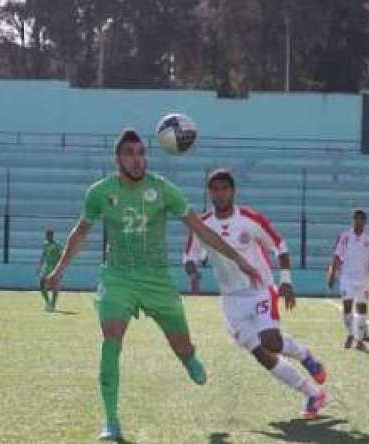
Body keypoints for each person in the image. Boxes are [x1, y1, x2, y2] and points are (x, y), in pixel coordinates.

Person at [45, 129, 261, 442]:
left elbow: (202, 230)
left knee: (182, 345)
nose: (137, 159)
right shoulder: (99, 192)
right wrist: (58, 269)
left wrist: (239, 258)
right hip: (117, 276)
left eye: (141, 152)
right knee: (111, 338)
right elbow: (81, 232)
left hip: (157, 279)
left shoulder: (163, 190)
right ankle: (111, 421)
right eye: (130, 153)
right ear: (118, 159)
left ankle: (188, 358)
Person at [183, 169, 327, 419]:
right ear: (209, 193)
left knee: (271, 340)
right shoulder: (202, 225)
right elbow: (189, 257)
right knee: (263, 356)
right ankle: (312, 394)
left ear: (233, 191)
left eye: (224, 188)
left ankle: (305, 355)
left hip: (260, 289)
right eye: (214, 189)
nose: (219, 193)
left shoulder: (250, 218)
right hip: (231, 300)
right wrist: (193, 272)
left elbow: (280, 246)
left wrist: (286, 281)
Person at [327, 209, 369, 350]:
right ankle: (350, 334)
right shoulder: (345, 236)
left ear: (365, 221)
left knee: (362, 308)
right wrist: (332, 274)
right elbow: (337, 256)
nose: (358, 221)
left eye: (361, 219)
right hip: (346, 278)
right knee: (347, 307)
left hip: (363, 280)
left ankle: (360, 340)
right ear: (353, 220)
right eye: (356, 219)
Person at [37, 228, 63, 312]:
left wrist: (60, 269)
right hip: (46, 267)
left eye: (49, 235)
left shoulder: (57, 244)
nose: (47, 237)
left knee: (55, 286)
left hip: (54, 267)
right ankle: (48, 302)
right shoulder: (45, 244)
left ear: (52, 235)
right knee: (41, 284)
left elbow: (61, 257)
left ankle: (53, 304)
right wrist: (39, 266)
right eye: (47, 235)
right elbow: (43, 255)